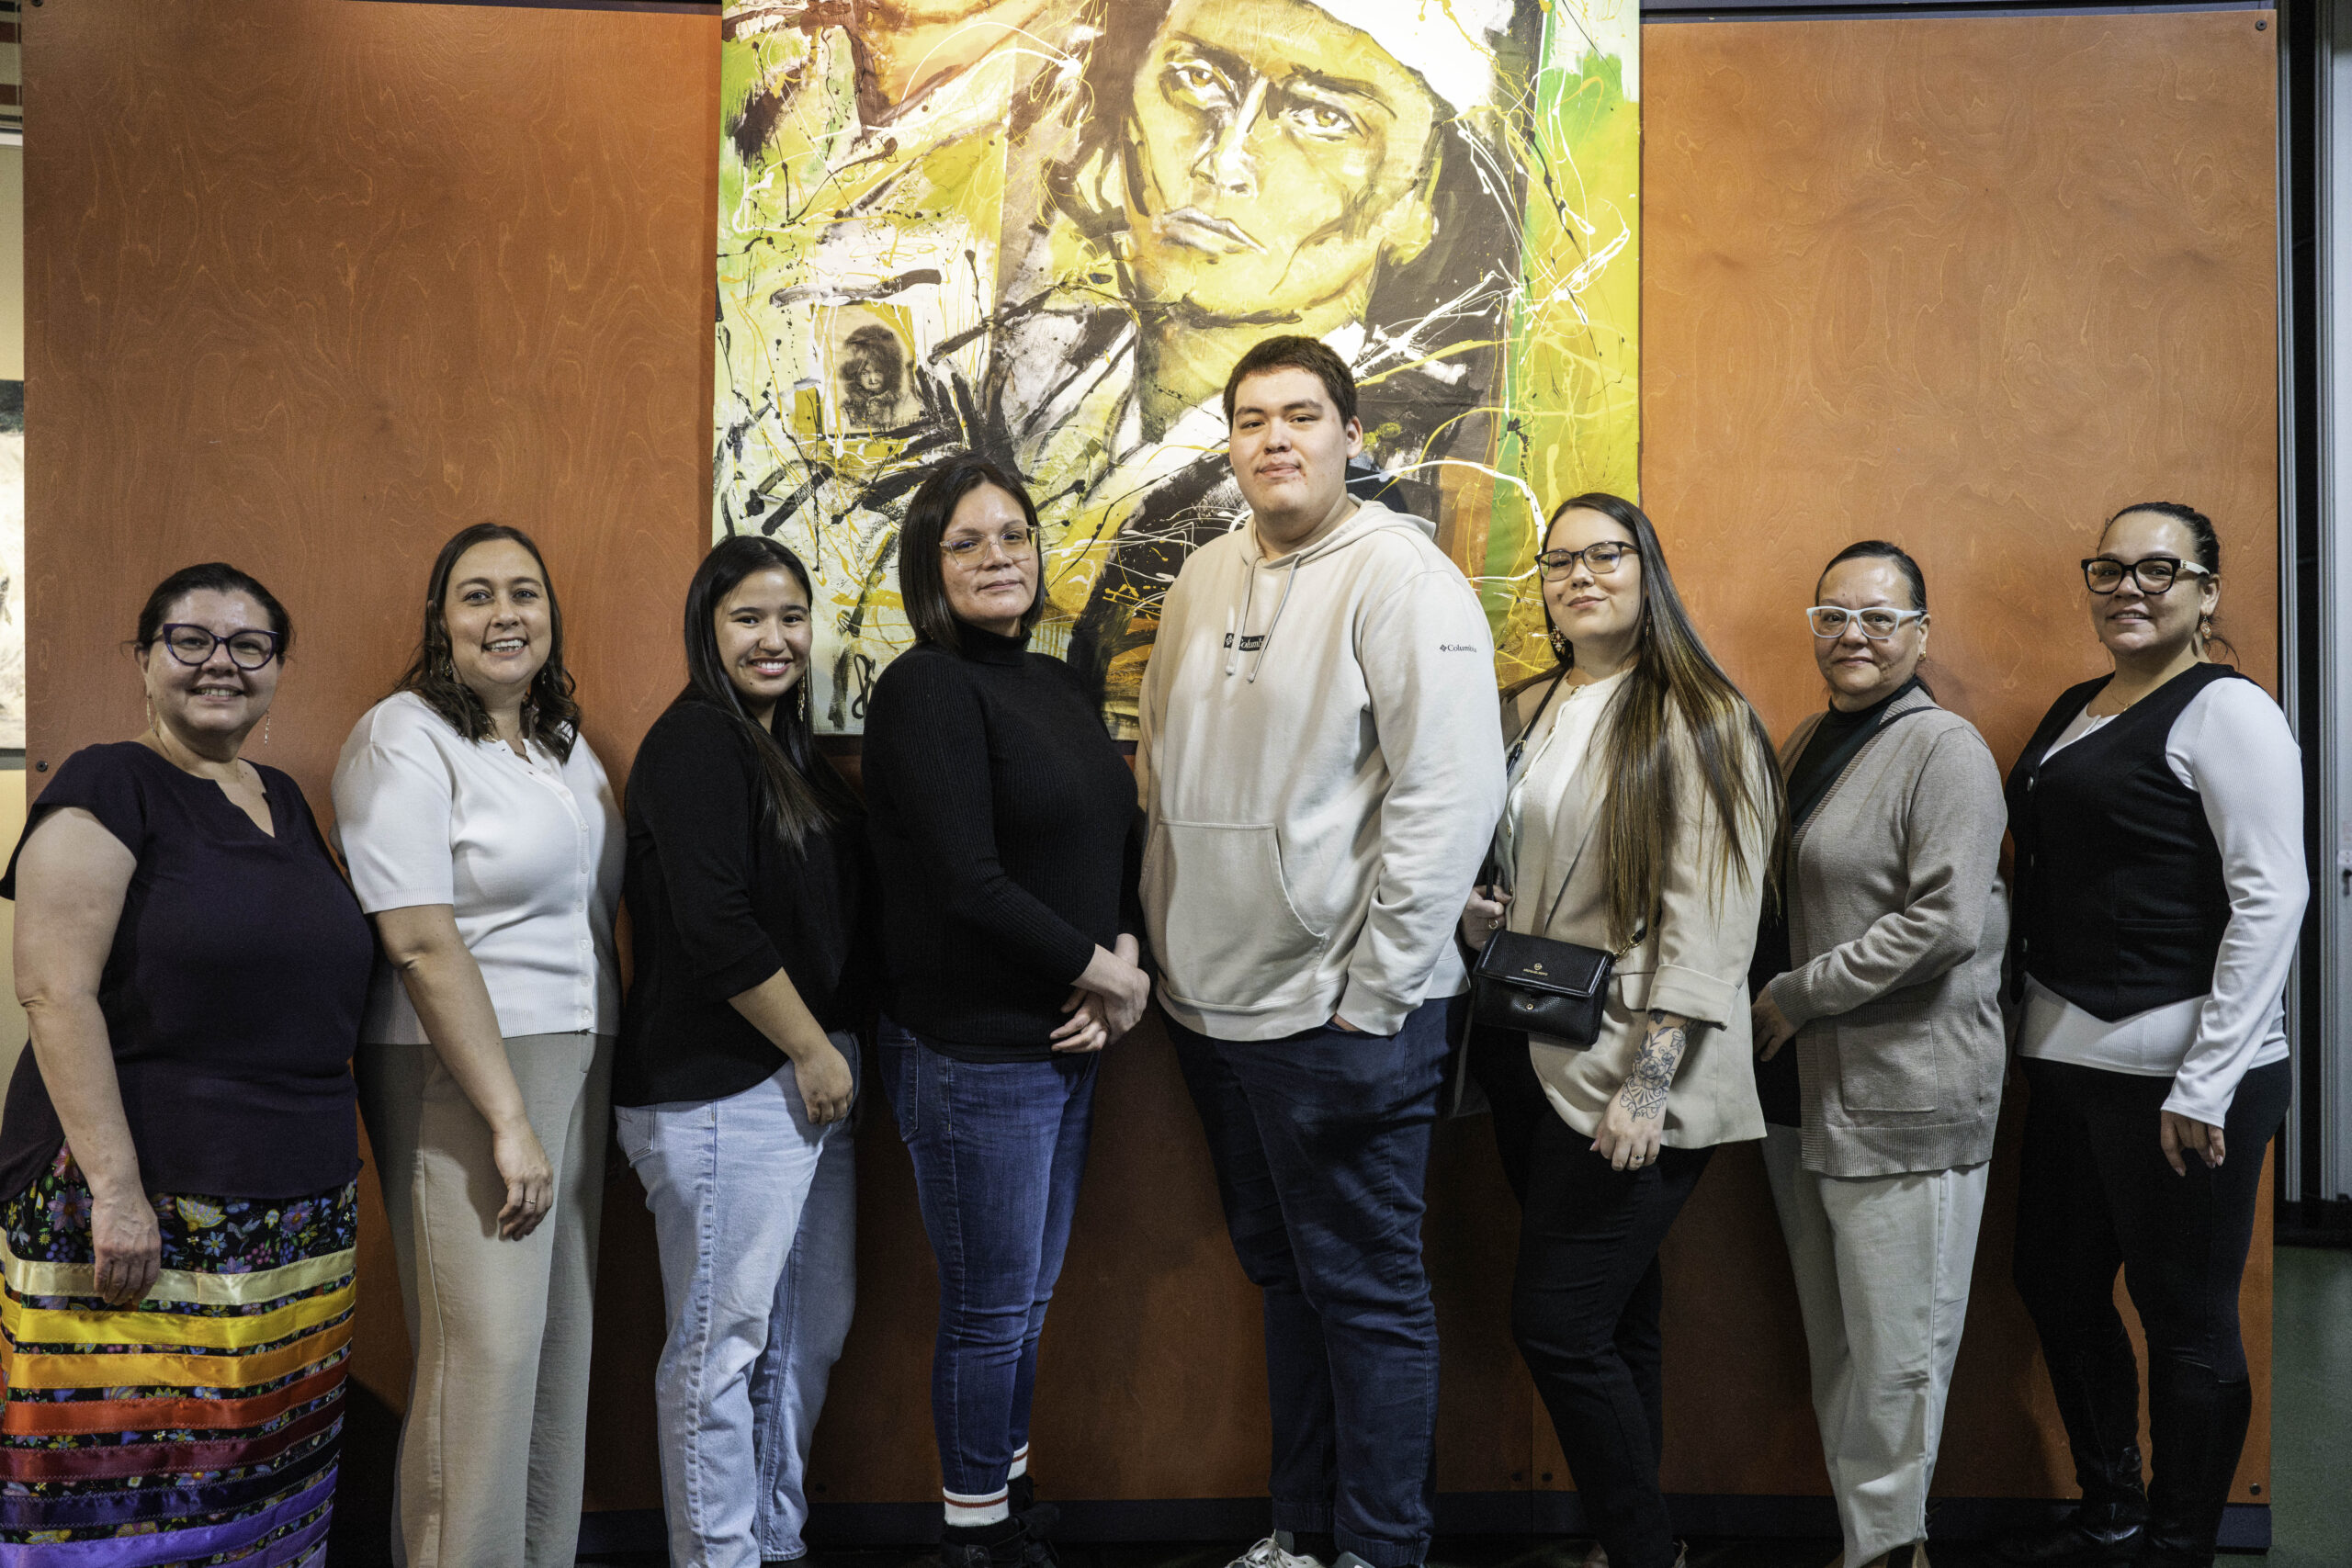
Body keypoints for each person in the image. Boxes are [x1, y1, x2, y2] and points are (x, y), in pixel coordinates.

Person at [1139, 336, 1505, 1568]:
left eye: (1301, 415)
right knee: (1288, 1280)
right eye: (1250, 420)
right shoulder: (1202, 574)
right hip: (1212, 1009)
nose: (1274, 439)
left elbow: (1449, 796)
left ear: (1352, 435)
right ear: (1229, 444)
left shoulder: (1404, 578)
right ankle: (1304, 1533)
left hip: (1344, 1015)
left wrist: (1380, 989)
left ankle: (1381, 1548)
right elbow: (1160, 767)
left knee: (1368, 1296)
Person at [0, 564, 371, 1562]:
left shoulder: (282, 797)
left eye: (249, 645)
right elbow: (54, 992)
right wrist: (118, 1195)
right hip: (145, 1206)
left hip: (294, 1217)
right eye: (191, 639)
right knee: (130, 1488)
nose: (221, 664)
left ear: (278, 666)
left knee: (263, 1475)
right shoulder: (106, 783)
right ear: (145, 658)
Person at [1460, 492, 1781, 1568]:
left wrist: (1648, 1084)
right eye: (1559, 562)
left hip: (1632, 1064)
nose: (1580, 576)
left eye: (1606, 555)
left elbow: (1711, 924)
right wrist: (1476, 912)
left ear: (1649, 572)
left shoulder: (1700, 716)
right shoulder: (1527, 706)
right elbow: (1511, 859)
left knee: (1556, 1325)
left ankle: (1646, 1552)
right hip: (1524, 1047)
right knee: (1615, 1318)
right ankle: (1624, 1543)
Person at [1996, 503, 2304, 1568]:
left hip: (2183, 1074)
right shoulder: (2077, 706)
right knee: (2053, 1281)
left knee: (2185, 1318)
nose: (2128, 587)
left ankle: (2177, 1545)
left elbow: (2272, 898)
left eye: (2158, 570)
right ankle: (2112, 1510)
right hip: (2066, 1056)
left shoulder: (2230, 711)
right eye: (2109, 569)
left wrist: (2205, 1082)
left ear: (2206, 591)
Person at [861, 457, 1150, 1568]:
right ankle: (972, 1538)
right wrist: (1107, 977)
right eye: (967, 542)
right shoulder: (925, 689)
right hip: (972, 1055)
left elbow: (1113, 840)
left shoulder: (1055, 683)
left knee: (1026, 1302)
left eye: (1014, 535)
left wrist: (1120, 954)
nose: (998, 557)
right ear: (928, 567)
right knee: (988, 1311)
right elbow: (966, 883)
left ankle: (1008, 1501)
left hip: (1065, 1041)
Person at [333, 523, 624, 1568]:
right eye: (478, 594)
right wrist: (506, 1115)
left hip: (577, 1054)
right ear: (440, 620)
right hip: (462, 1066)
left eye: (525, 592)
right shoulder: (402, 736)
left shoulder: (561, 743)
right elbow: (416, 936)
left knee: (556, 1352)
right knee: (486, 1361)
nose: (506, 613)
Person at [1746, 542, 2007, 1568]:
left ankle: (1894, 1549)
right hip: (1806, 1099)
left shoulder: (1947, 751)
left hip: (1907, 1098)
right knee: (1842, 1352)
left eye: (1880, 617)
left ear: (1920, 633)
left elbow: (1944, 924)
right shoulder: (1808, 738)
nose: (1853, 634)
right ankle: (1873, 1543)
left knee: (1900, 1359)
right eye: (1833, 615)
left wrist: (1794, 994)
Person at [616, 535, 873, 1568]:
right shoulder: (696, 743)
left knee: (807, 1332)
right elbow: (715, 925)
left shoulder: (786, 752)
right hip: (720, 1089)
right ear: (706, 630)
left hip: (809, 1085)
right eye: (748, 618)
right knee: (717, 1353)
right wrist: (812, 1049)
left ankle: (771, 1538)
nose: (775, 639)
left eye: (791, 617)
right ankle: (716, 1557)